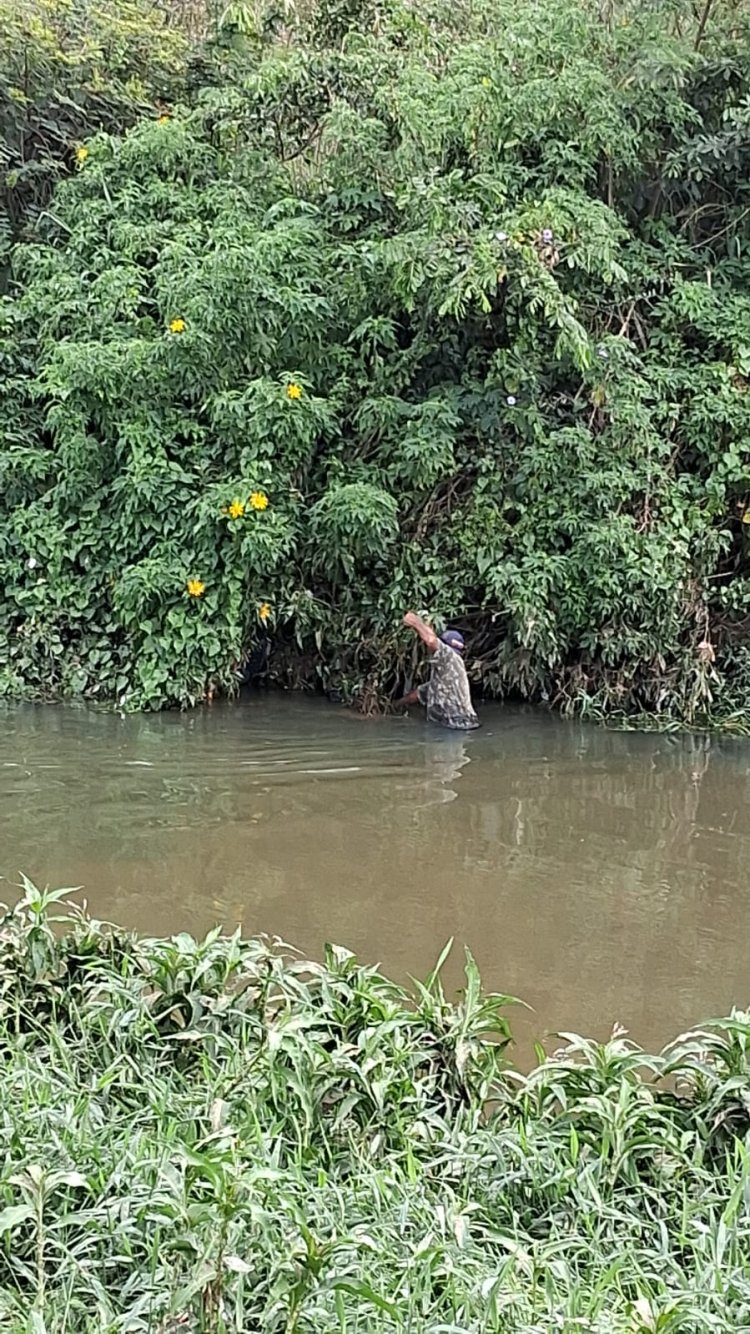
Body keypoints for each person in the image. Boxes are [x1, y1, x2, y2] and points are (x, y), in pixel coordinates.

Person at [396, 611, 479, 730]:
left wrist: (415, 622)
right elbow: (415, 696)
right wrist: (394, 706)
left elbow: (431, 641)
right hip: (453, 725)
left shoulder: (451, 658)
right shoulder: (444, 679)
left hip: (456, 724)